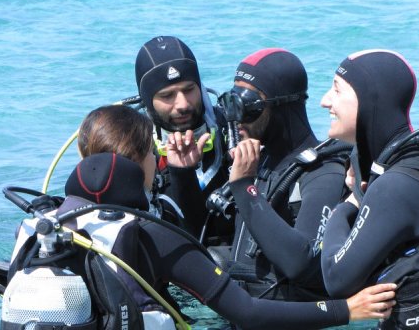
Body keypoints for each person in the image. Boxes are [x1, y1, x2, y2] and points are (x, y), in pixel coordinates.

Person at [68, 104, 396, 329]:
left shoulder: (54, 218)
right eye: (155, 154)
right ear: (142, 162)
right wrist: (347, 310)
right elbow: (248, 312)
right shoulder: (152, 235)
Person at [168, 48, 352, 301]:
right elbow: (200, 238)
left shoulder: (323, 172)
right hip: (245, 313)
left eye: (246, 106)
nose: (235, 117)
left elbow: (304, 265)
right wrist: (182, 173)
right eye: (231, 102)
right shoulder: (256, 163)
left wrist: (244, 187)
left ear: (282, 105)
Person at [319, 49, 419, 303]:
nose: (325, 101)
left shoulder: (395, 187)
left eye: (336, 90)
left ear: (369, 100)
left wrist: (348, 205)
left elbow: (336, 280)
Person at [135, 35, 232, 245]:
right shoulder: (136, 148)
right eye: (167, 95)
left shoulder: (232, 130)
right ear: (147, 100)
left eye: (189, 90)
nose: (183, 104)